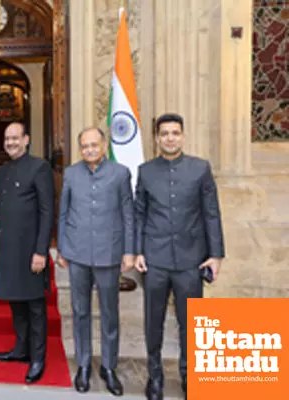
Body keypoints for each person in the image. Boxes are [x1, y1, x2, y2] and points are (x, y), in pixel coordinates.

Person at [134, 113, 225, 400]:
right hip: (155, 260)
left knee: (191, 324)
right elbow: (139, 214)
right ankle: (155, 377)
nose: (170, 138)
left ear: (182, 136)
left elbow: (211, 212)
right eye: (164, 133)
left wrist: (216, 255)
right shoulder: (146, 171)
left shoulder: (200, 169)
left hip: (190, 261)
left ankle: (190, 377)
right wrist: (137, 251)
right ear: (157, 138)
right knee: (154, 322)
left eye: (175, 133)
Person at [0, 122, 55, 384]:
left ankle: (38, 358)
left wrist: (41, 251)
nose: (10, 143)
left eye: (15, 138)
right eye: (7, 139)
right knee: (16, 304)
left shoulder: (40, 167)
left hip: (31, 252)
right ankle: (21, 350)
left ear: (26, 139)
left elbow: (47, 212)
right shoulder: (2, 172)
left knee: (35, 306)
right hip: (8, 251)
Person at [56, 127, 133, 396]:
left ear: (104, 144)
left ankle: (109, 367)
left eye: (94, 144)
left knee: (110, 313)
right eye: (85, 146)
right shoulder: (71, 173)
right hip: (77, 255)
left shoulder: (120, 173)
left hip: (109, 254)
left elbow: (128, 215)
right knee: (80, 312)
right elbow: (63, 213)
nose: (89, 149)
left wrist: (129, 251)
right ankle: (84, 365)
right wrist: (62, 249)